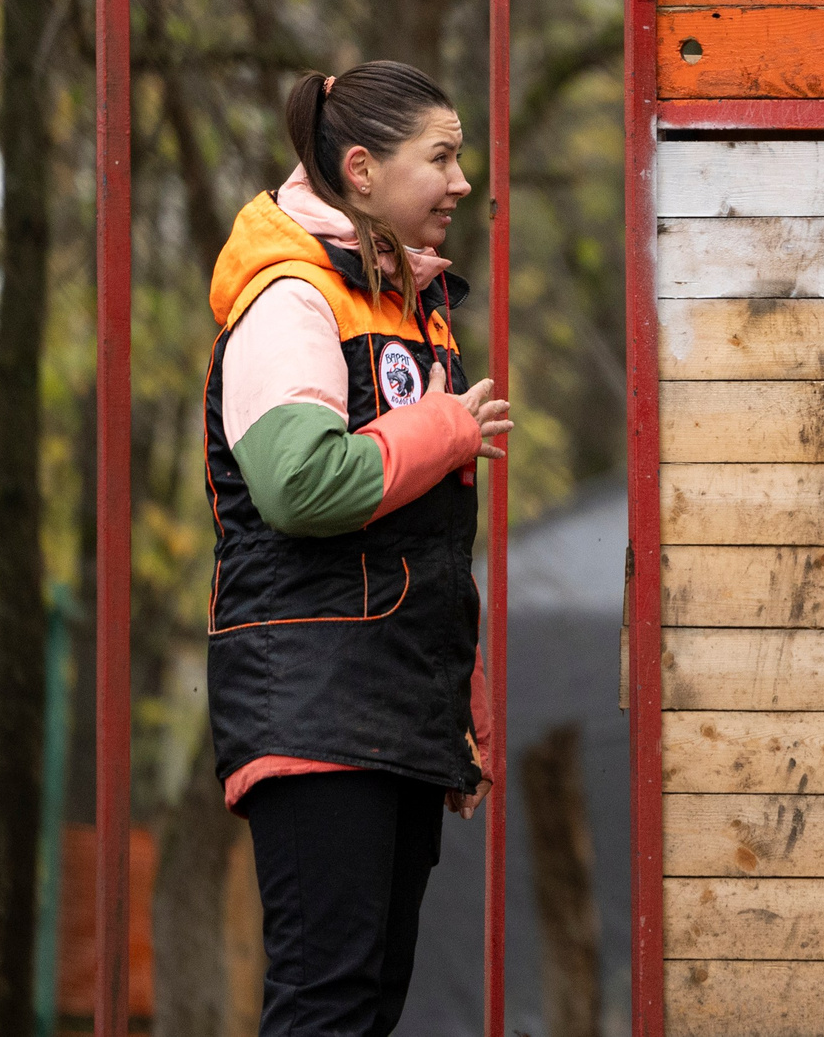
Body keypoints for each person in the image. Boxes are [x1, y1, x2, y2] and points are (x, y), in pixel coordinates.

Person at [202, 60, 510, 1037]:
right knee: (326, 1004)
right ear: (363, 170)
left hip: (391, 709)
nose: (464, 182)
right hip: (315, 711)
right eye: (443, 157)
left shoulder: (407, 304)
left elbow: (419, 535)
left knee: (368, 1002)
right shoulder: (291, 298)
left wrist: (458, 690)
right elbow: (298, 486)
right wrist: (446, 432)